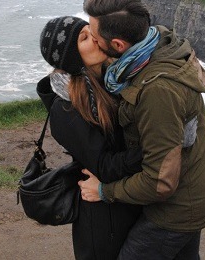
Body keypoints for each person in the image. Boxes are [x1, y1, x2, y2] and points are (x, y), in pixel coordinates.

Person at [78, 0, 205, 259]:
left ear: (118, 45)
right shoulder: (157, 43)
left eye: (95, 38)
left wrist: (104, 191)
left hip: (177, 209)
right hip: (194, 194)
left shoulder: (158, 91)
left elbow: (159, 181)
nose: (92, 42)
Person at [37, 15, 143, 260]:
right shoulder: (65, 110)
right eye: (84, 38)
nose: (95, 37)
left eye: (90, 30)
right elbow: (104, 165)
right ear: (71, 58)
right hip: (105, 220)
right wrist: (156, 150)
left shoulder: (110, 79)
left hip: (128, 199)